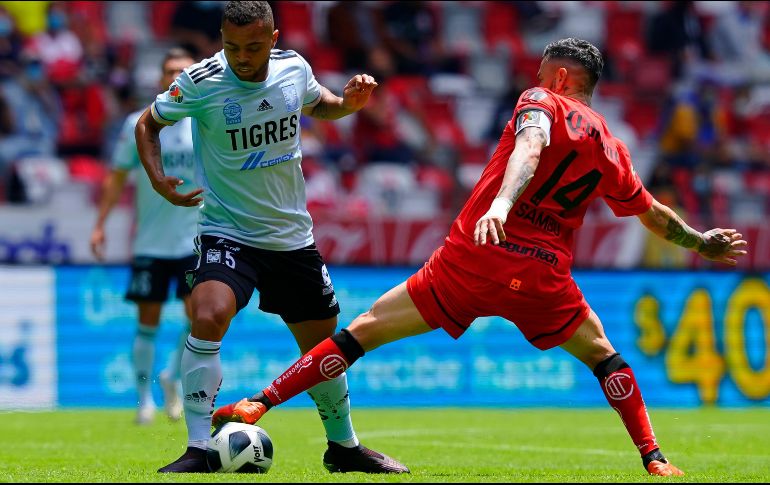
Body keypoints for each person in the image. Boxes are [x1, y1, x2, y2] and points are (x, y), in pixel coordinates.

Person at [211, 38, 749, 477]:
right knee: (606, 356)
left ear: (560, 78)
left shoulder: (540, 101)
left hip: (475, 258)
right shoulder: (612, 146)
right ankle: (654, 459)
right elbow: (653, 213)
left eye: (543, 71)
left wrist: (501, 204)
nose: (537, 79)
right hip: (542, 274)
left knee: (361, 333)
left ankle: (259, 403)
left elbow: (530, 145)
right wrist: (702, 243)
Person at [134, 1, 409, 474]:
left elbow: (318, 103)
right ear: (221, 37)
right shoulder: (202, 82)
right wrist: (159, 180)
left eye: (254, 46)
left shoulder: (293, 68)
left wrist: (348, 105)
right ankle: (200, 445)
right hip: (227, 229)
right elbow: (148, 123)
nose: (242, 56)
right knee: (208, 312)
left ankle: (343, 447)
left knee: (322, 349)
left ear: (274, 37)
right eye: (232, 45)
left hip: (291, 237)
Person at [90, 48, 198, 425]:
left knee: (198, 316)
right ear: (160, 78)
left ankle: (171, 376)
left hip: (194, 240)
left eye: (183, 71)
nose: (175, 77)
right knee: (147, 321)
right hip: (151, 242)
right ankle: (143, 401)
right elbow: (117, 175)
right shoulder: (137, 124)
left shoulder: (205, 121)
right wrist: (100, 223)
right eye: (170, 70)